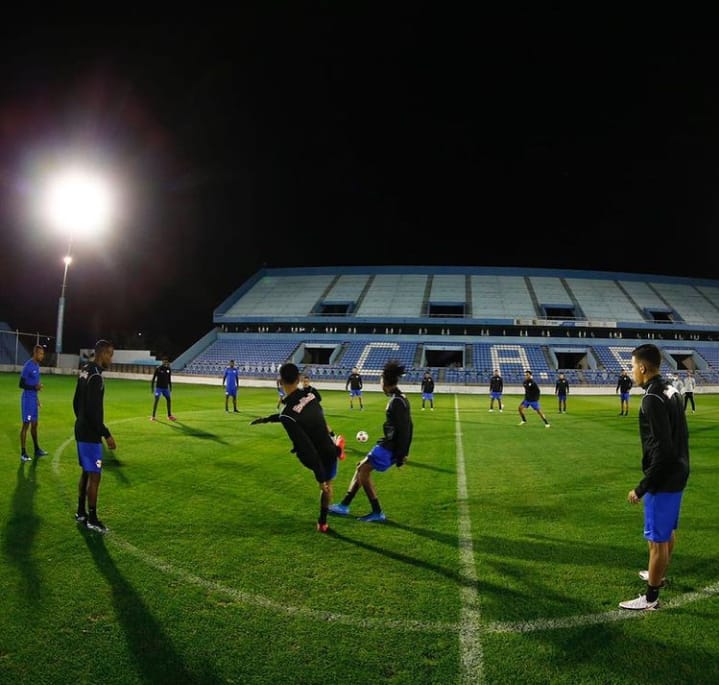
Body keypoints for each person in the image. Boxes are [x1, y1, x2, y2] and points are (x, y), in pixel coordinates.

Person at [619, 343, 690, 611]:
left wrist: (642, 487)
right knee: (667, 531)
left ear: (643, 367)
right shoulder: (670, 388)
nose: (631, 371)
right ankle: (656, 575)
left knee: (657, 539)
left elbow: (663, 448)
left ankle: (650, 597)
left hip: (664, 478)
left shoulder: (652, 398)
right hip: (679, 471)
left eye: (633, 365)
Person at [250, 362, 343, 532]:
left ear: (279, 382)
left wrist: (319, 477)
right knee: (329, 485)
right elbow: (301, 415)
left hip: (317, 456)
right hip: (329, 449)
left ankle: (323, 521)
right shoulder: (311, 396)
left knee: (323, 483)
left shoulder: (288, 415)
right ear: (299, 379)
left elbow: (306, 448)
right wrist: (267, 419)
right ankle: (323, 521)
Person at [329, 360, 413, 522]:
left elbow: (405, 430)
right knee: (361, 468)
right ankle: (344, 505)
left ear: (386, 382)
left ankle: (376, 511)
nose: (379, 383)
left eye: (380, 380)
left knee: (363, 471)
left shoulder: (397, 402)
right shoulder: (401, 398)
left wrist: (402, 456)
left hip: (390, 446)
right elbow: (410, 426)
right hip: (388, 444)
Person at [73, 339, 117, 533]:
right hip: (90, 433)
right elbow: (93, 411)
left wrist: (80, 419)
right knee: (95, 475)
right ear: (101, 354)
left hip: (81, 428)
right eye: (110, 355)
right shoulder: (96, 376)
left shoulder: (84, 369)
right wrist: (106, 434)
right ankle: (92, 518)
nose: (111, 359)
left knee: (85, 471)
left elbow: (76, 401)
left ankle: (81, 512)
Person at [302, 373, 345, 459]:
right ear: (302, 382)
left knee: (323, 424)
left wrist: (311, 401)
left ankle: (333, 436)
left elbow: (319, 398)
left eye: (307, 381)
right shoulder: (301, 391)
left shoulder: (312, 390)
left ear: (309, 382)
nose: (305, 383)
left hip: (316, 410)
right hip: (308, 412)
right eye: (304, 382)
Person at [19, 344, 49, 462]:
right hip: (27, 400)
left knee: (35, 425)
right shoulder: (28, 366)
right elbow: (21, 384)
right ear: (35, 353)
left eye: (43, 354)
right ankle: (23, 453)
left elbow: (34, 385)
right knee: (25, 425)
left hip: (33, 400)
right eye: (41, 353)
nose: (42, 356)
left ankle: (36, 449)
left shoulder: (37, 366)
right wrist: (35, 387)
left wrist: (37, 399)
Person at [151, 357, 176, 421]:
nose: (166, 363)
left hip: (165, 388)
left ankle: (169, 415)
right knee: (156, 400)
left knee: (169, 400)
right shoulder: (158, 369)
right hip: (159, 388)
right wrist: (152, 387)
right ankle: (153, 416)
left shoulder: (168, 369)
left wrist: (170, 387)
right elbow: (153, 378)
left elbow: (169, 379)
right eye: (164, 361)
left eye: (167, 362)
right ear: (162, 362)